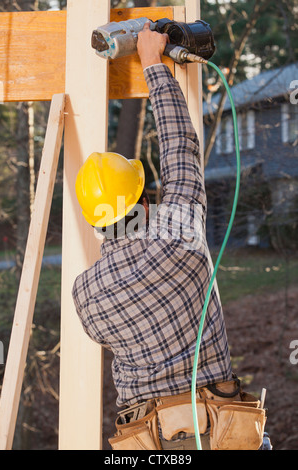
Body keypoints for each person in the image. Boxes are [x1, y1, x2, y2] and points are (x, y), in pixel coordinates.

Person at [72, 22, 266, 451]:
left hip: (146, 441)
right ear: (143, 202)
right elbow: (180, 146)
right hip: (216, 429)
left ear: (95, 221)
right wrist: (151, 62)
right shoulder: (178, 232)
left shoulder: (84, 293)